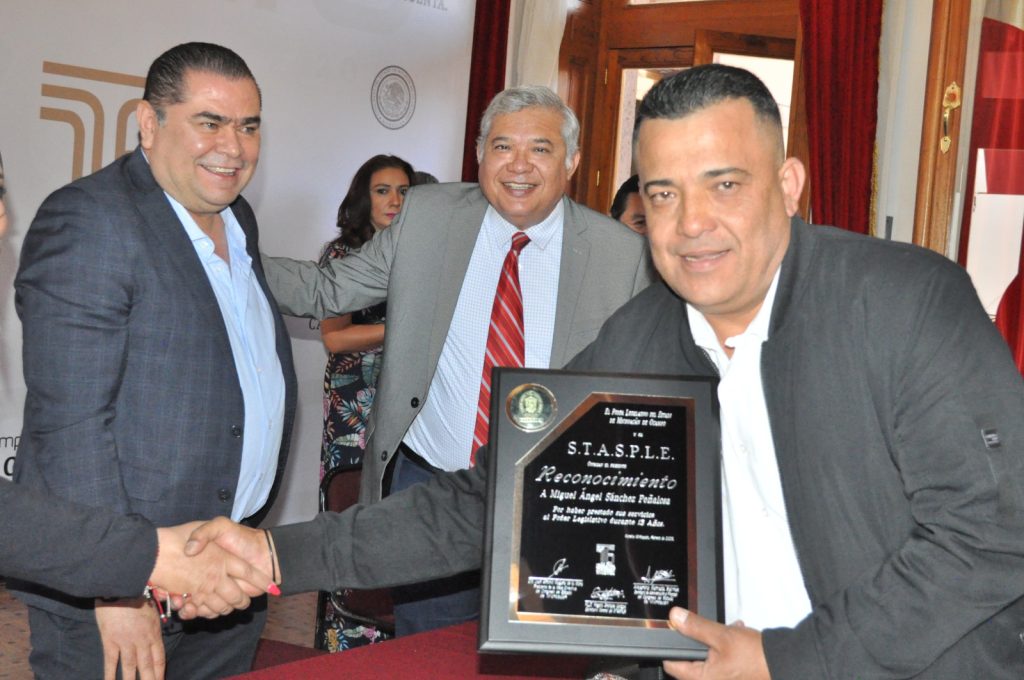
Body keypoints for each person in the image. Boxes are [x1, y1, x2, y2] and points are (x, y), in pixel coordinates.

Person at [193, 64, 1024, 679]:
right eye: (662, 193)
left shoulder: (907, 303)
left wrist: (786, 661)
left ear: (789, 184)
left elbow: (992, 536)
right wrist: (274, 557)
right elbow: (489, 500)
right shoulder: (644, 334)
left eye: (724, 185)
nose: (691, 223)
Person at [262, 85, 652, 635]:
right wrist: (221, 250)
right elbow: (326, 290)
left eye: (540, 149)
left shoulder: (623, 258)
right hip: (431, 491)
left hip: (554, 503)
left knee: (541, 658)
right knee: (429, 653)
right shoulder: (427, 218)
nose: (518, 165)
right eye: (502, 146)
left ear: (572, 161)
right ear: (479, 154)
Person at [13, 42, 297, 680]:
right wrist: (118, 586)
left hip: (227, 572)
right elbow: (70, 427)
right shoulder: (90, 220)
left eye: (248, 126)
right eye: (209, 122)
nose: (233, 147)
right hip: (125, 589)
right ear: (148, 123)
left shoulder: (237, 217)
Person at [319, 154, 413, 475]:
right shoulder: (343, 255)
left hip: (409, 394)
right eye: (382, 191)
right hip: (356, 397)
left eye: (404, 191)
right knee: (352, 492)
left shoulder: (422, 252)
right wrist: (403, 330)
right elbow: (334, 338)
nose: (395, 200)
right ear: (364, 198)